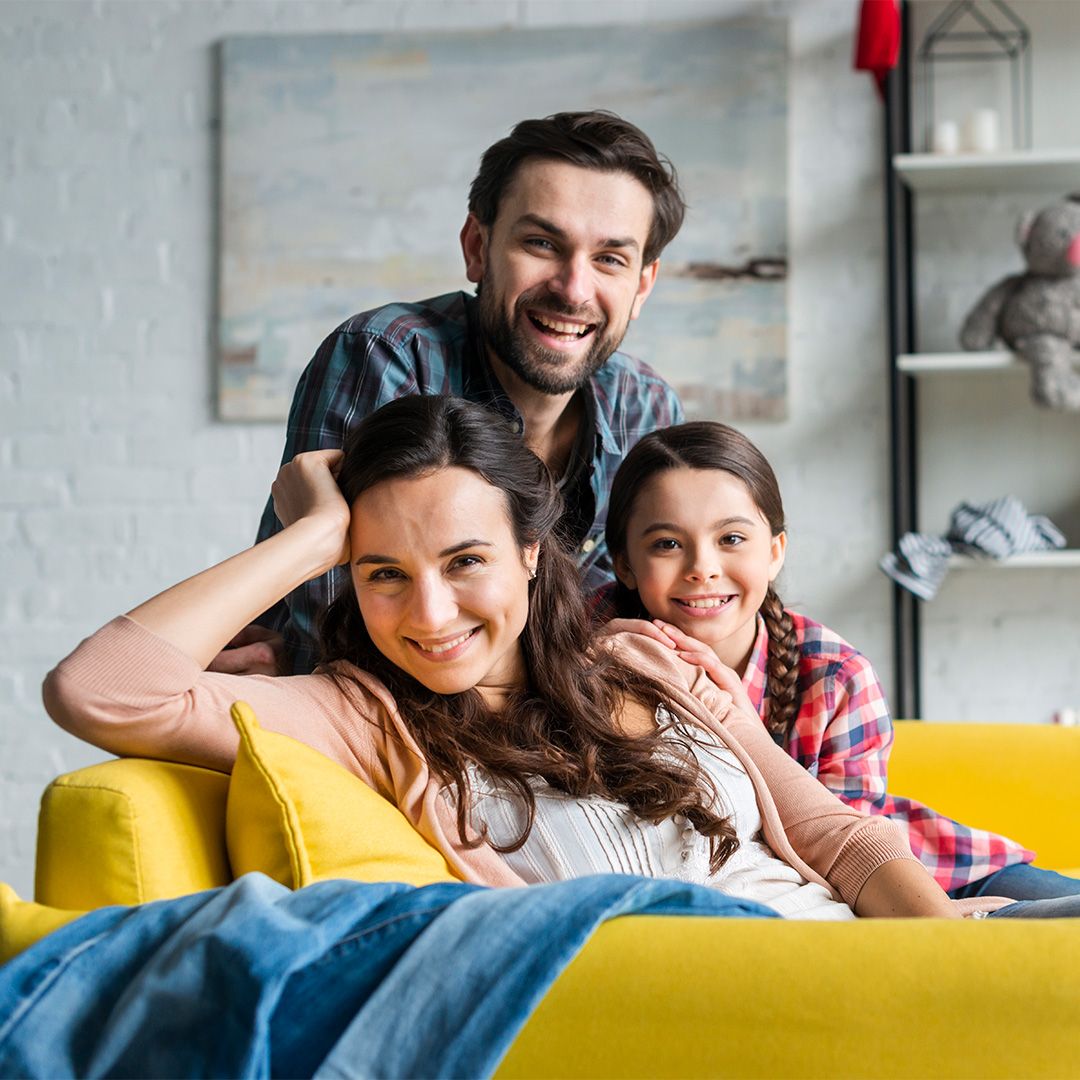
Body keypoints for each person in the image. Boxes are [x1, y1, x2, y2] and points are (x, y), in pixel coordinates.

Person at [45, 394, 1076, 921]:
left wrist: (942, 950)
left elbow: (838, 839)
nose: (432, 612)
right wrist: (311, 537)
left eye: (466, 561)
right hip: (780, 985)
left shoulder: (638, 659)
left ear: (533, 554)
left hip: (903, 939)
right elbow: (95, 690)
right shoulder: (362, 715)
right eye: (382, 572)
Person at [221, 110, 686, 678]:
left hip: (551, 736)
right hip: (362, 723)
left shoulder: (648, 408)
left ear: (641, 284)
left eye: (610, 258)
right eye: (542, 243)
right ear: (476, 247)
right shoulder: (384, 356)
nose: (573, 289)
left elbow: (657, 621)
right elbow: (355, 630)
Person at [598, 420, 1080, 905]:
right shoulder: (584, 653)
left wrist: (743, 723)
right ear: (623, 562)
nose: (702, 567)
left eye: (731, 539)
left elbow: (847, 853)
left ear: (774, 552)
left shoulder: (835, 675)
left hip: (924, 868)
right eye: (667, 544)